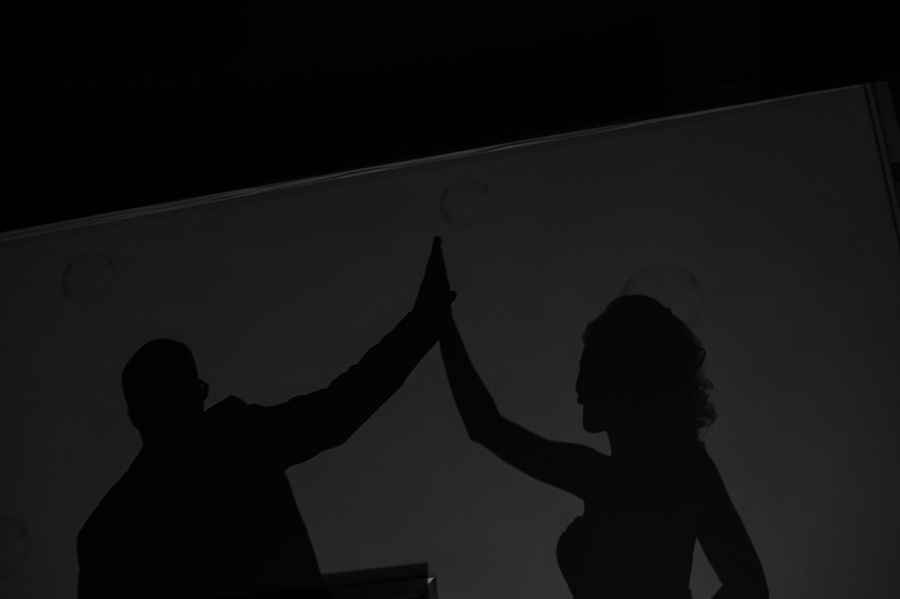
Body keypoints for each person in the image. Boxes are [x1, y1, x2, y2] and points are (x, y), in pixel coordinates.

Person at [76, 237, 455, 599]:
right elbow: (339, 408)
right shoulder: (234, 438)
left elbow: (337, 410)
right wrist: (423, 321)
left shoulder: (106, 532)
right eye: (197, 391)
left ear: (136, 415)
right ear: (193, 395)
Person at [439, 288, 769, 599]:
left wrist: (441, 321)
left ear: (622, 378)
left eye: (588, 371)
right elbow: (485, 426)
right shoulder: (673, 471)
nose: (578, 388)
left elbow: (485, 426)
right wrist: (442, 321)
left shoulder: (655, 473)